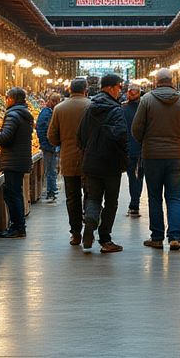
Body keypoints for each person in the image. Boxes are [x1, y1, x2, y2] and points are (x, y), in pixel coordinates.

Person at [131, 67, 180, 252]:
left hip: (152, 156)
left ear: (156, 82)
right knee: (175, 196)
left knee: (154, 197)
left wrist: (145, 142)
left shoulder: (147, 100)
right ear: (172, 81)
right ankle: (175, 237)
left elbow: (136, 128)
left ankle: (157, 237)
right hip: (176, 155)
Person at [76, 72, 128, 252]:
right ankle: (105, 240)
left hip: (91, 162)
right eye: (119, 87)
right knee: (111, 202)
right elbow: (121, 136)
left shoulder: (90, 108)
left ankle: (90, 220)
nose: (120, 91)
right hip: (111, 164)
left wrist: (89, 150)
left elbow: (80, 135)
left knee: (93, 197)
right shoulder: (116, 110)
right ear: (111, 87)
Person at [0, 87, 34, 239]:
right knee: (15, 193)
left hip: (13, 161)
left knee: (12, 194)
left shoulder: (12, 115)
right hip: (20, 159)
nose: (6, 101)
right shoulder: (24, 114)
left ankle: (17, 228)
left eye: (7, 98)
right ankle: (18, 226)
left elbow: (6, 137)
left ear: (12, 99)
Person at [47, 77, 91, 246]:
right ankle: (90, 227)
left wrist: (64, 143)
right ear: (86, 89)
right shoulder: (91, 106)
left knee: (72, 198)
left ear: (69, 90)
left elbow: (52, 136)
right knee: (90, 195)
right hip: (90, 159)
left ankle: (75, 233)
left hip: (69, 159)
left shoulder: (59, 108)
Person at [120, 81, 144, 217]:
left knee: (131, 176)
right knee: (140, 176)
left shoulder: (123, 109)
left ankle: (134, 203)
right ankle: (135, 203)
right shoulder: (144, 109)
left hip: (128, 148)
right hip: (142, 148)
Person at [36, 91, 61, 202]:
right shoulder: (47, 113)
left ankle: (52, 189)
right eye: (55, 101)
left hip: (49, 145)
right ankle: (51, 191)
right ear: (51, 101)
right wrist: (51, 142)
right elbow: (44, 130)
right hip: (49, 146)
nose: (57, 103)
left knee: (52, 169)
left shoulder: (48, 112)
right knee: (51, 169)